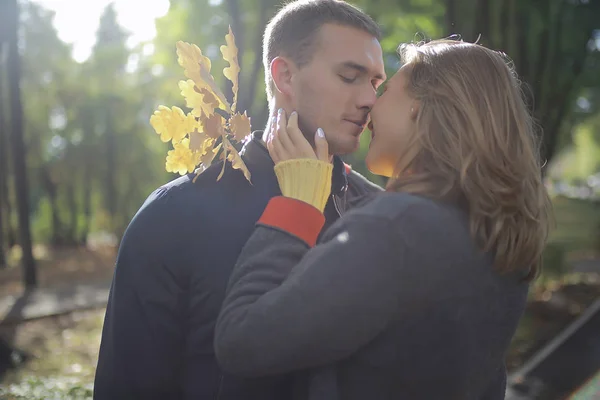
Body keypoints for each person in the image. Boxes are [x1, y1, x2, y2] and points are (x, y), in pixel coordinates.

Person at [214, 39, 553, 400]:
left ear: (418, 108)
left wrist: (298, 205)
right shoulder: (497, 236)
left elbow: (242, 341)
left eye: (387, 88)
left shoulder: (395, 229)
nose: (369, 103)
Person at [93, 1, 386, 399]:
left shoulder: (380, 215)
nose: (370, 99)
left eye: (376, 83)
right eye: (351, 77)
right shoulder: (174, 215)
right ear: (284, 76)